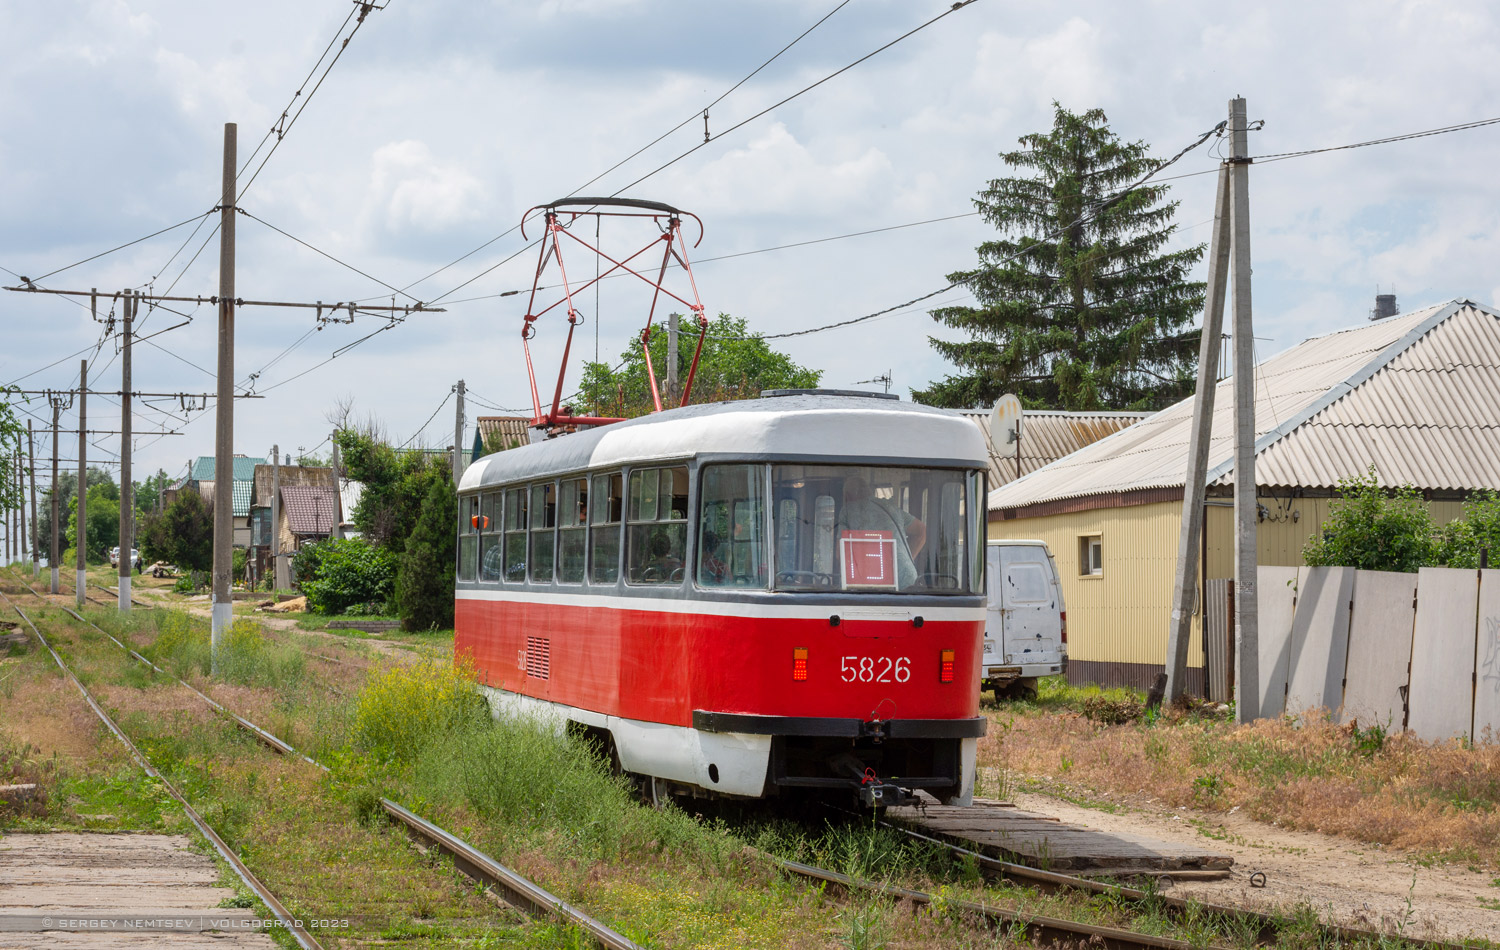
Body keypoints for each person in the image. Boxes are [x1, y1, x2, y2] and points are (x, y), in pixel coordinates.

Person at [837, 475, 926, 590]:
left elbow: (841, 553)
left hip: (873, 581)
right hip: (908, 578)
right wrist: (903, 561)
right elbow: (921, 531)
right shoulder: (890, 507)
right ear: (870, 491)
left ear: (847, 496)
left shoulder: (847, 511)